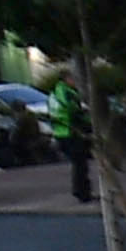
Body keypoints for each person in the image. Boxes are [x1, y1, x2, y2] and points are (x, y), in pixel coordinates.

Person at [49, 75, 92, 204]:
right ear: (67, 79)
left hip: (61, 132)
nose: (75, 82)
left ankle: (81, 191)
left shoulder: (54, 92)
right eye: (73, 79)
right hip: (70, 131)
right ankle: (82, 193)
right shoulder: (66, 92)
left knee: (78, 163)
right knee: (80, 164)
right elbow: (73, 110)